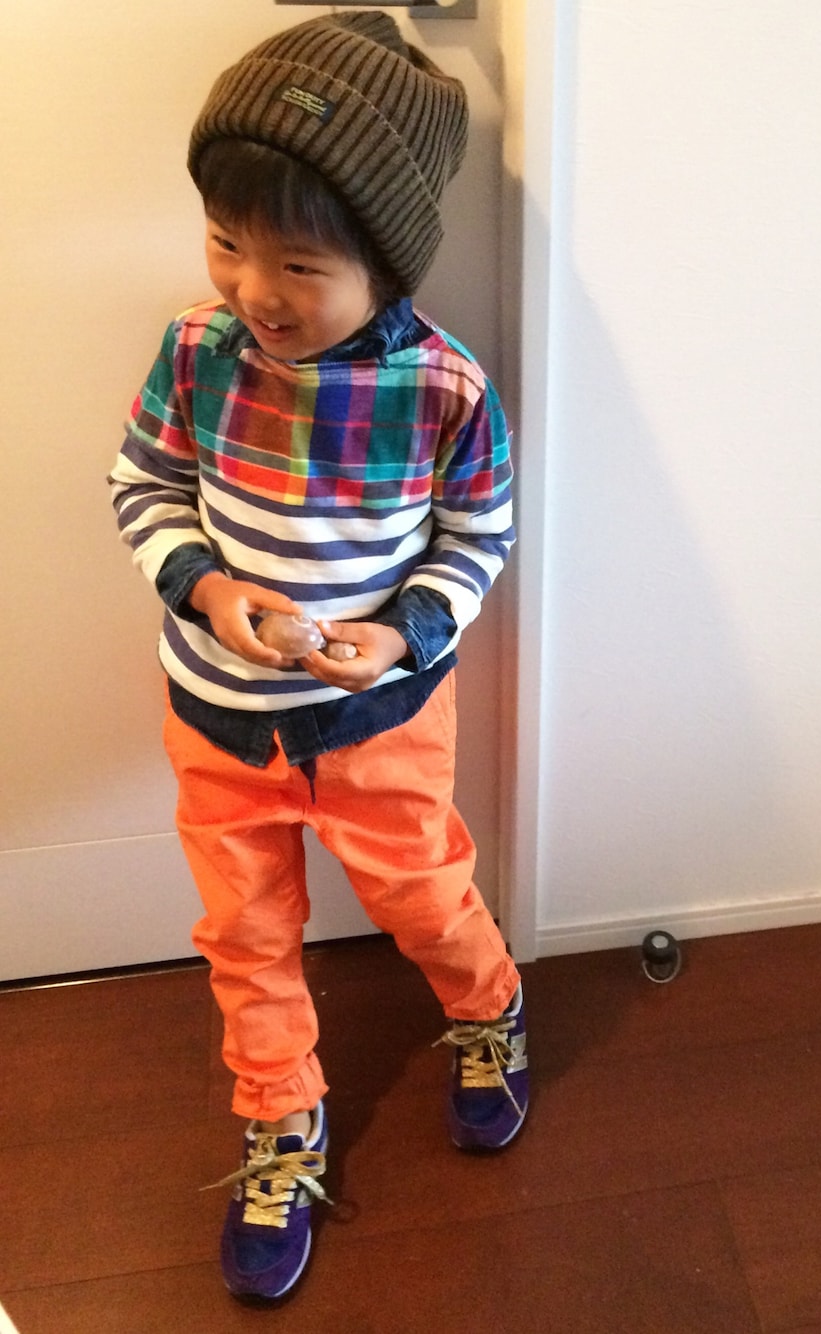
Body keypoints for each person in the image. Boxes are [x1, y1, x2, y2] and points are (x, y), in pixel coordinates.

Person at [108, 10, 526, 1304]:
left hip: (379, 721)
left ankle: (489, 1009)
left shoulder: (445, 390)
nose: (255, 290)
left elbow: (480, 535)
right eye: (226, 243)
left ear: (385, 263)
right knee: (245, 931)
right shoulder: (196, 351)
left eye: (298, 262)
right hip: (221, 718)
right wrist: (204, 584)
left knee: (426, 893)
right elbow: (142, 484)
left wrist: (403, 632)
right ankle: (279, 1112)